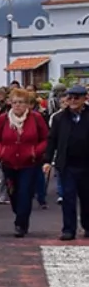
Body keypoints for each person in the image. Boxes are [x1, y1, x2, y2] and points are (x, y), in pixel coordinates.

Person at [0, 88, 48, 238]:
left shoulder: (36, 118)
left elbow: (45, 138)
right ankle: (20, 213)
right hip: (9, 162)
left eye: (21, 102)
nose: (17, 105)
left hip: (29, 163)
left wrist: (34, 152)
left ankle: (20, 224)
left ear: (28, 104)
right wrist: (1, 152)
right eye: (15, 102)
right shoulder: (4, 119)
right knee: (13, 193)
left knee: (25, 192)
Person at [45, 84, 89, 240]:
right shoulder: (59, 118)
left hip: (86, 164)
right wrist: (47, 160)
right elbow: (52, 140)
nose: (73, 100)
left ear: (85, 98)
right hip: (67, 164)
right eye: (70, 97)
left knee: (87, 198)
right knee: (68, 197)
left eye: (77, 97)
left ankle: (87, 226)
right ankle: (68, 229)